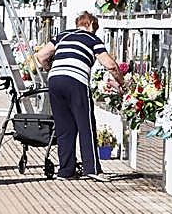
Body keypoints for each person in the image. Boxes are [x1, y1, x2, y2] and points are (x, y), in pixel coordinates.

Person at [36, 11, 122, 179]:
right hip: (76, 81)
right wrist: (122, 82)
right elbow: (110, 65)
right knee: (86, 125)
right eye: (95, 28)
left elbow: (41, 56)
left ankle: (66, 170)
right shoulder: (92, 39)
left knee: (64, 127)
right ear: (90, 24)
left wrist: (49, 68)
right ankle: (92, 169)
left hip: (55, 80)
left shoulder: (63, 35)